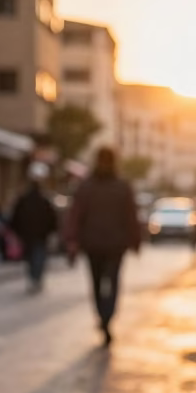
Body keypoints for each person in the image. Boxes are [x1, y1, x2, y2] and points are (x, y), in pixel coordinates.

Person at [65, 146, 139, 346]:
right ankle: (107, 316)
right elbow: (131, 216)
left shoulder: (87, 187)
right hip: (114, 244)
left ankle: (103, 316)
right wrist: (135, 240)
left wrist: (72, 240)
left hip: (94, 243)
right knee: (112, 282)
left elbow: (75, 216)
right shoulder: (122, 187)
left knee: (98, 283)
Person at [10, 162, 58, 293]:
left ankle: (34, 277)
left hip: (29, 234)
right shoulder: (43, 199)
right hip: (38, 234)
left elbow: (15, 216)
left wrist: (16, 230)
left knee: (32, 256)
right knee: (37, 256)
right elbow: (52, 218)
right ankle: (35, 278)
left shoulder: (25, 199)